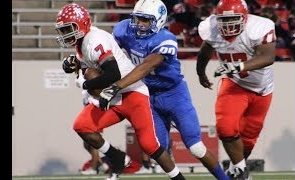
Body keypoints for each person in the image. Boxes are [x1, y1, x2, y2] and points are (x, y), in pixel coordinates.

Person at [98, 0, 229, 179]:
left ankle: (224, 178)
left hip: (173, 93)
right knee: (157, 149)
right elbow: (109, 54)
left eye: (146, 20)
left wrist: (116, 86)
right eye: (138, 19)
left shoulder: (166, 39)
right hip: (147, 96)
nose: (140, 25)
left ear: (159, 20)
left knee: (195, 147)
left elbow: (146, 66)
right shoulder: (123, 29)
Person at [55, 3, 186, 180]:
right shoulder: (82, 42)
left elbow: (113, 73)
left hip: (132, 93)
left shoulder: (94, 40)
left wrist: (86, 84)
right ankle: (117, 157)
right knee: (82, 126)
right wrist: (77, 66)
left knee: (150, 145)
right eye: (63, 30)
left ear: (82, 23)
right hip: (113, 96)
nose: (66, 34)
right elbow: (90, 68)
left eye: (69, 29)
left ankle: (178, 178)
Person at [195, 0, 275, 179]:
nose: (228, 24)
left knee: (249, 137)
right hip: (234, 84)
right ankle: (242, 172)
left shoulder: (259, 27)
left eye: (233, 19)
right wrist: (201, 73)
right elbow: (204, 53)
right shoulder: (212, 27)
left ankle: (235, 169)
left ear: (244, 17)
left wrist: (239, 66)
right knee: (225, 127)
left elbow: (268, 56)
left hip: (262, 88)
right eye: (224, 20)